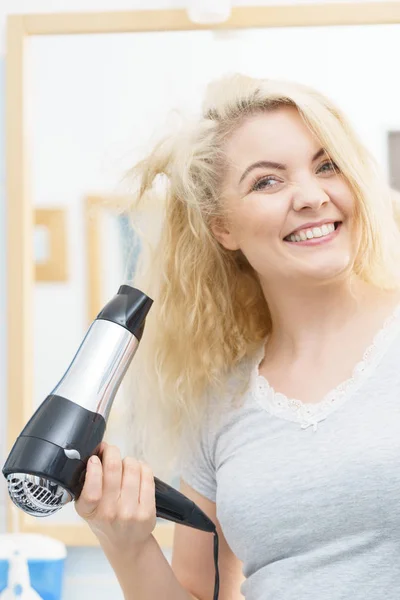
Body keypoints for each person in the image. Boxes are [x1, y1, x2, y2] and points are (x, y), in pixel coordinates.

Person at [74, 73, 400, 600]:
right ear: (222, 226)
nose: (313, 196)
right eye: (267, 181)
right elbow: (197, 593)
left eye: (327, 165)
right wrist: (126, 543)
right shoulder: (220, 404)